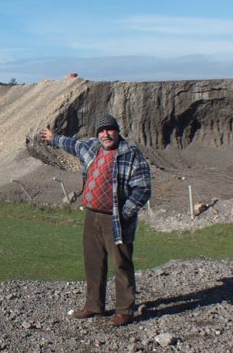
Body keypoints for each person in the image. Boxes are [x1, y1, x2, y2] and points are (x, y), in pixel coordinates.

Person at [40, 113, 152, 326]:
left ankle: (124, 310)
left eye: (109, 130)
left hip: (117, 219)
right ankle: (93, 306)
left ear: (117, 131)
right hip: (92, 215)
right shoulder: (92, 147)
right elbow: (73, 144)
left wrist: (125, 213)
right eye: (101, 131)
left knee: (121, 263)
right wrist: (54, 138)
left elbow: (143, 188)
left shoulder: (131, 154)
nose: (105, 134)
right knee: (93, 262)